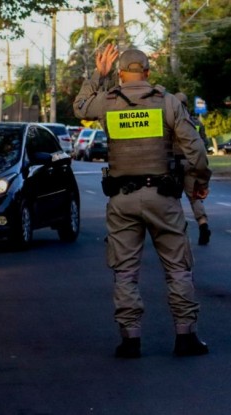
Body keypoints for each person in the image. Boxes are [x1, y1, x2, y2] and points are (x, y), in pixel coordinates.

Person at [73, 44, 212, 358]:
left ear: (120, 74)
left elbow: (80, 107)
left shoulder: (108, 101)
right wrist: (200, 182)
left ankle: (130, 339)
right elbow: (196, 151)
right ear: (148, 72)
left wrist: (99, 74)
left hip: (122, 199)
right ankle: (185, 336)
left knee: (125, 271)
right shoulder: (168, 102)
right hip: (162, 197)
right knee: (178, 268)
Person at [174, 92, 212, 245]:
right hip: (192, 163)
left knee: (173, 198)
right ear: (187, 105)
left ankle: (179, 229)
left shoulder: (169, 122)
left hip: (174, 164)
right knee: (194, 197)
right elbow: (204, 145)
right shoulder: (197, 123)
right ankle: (203, 223)